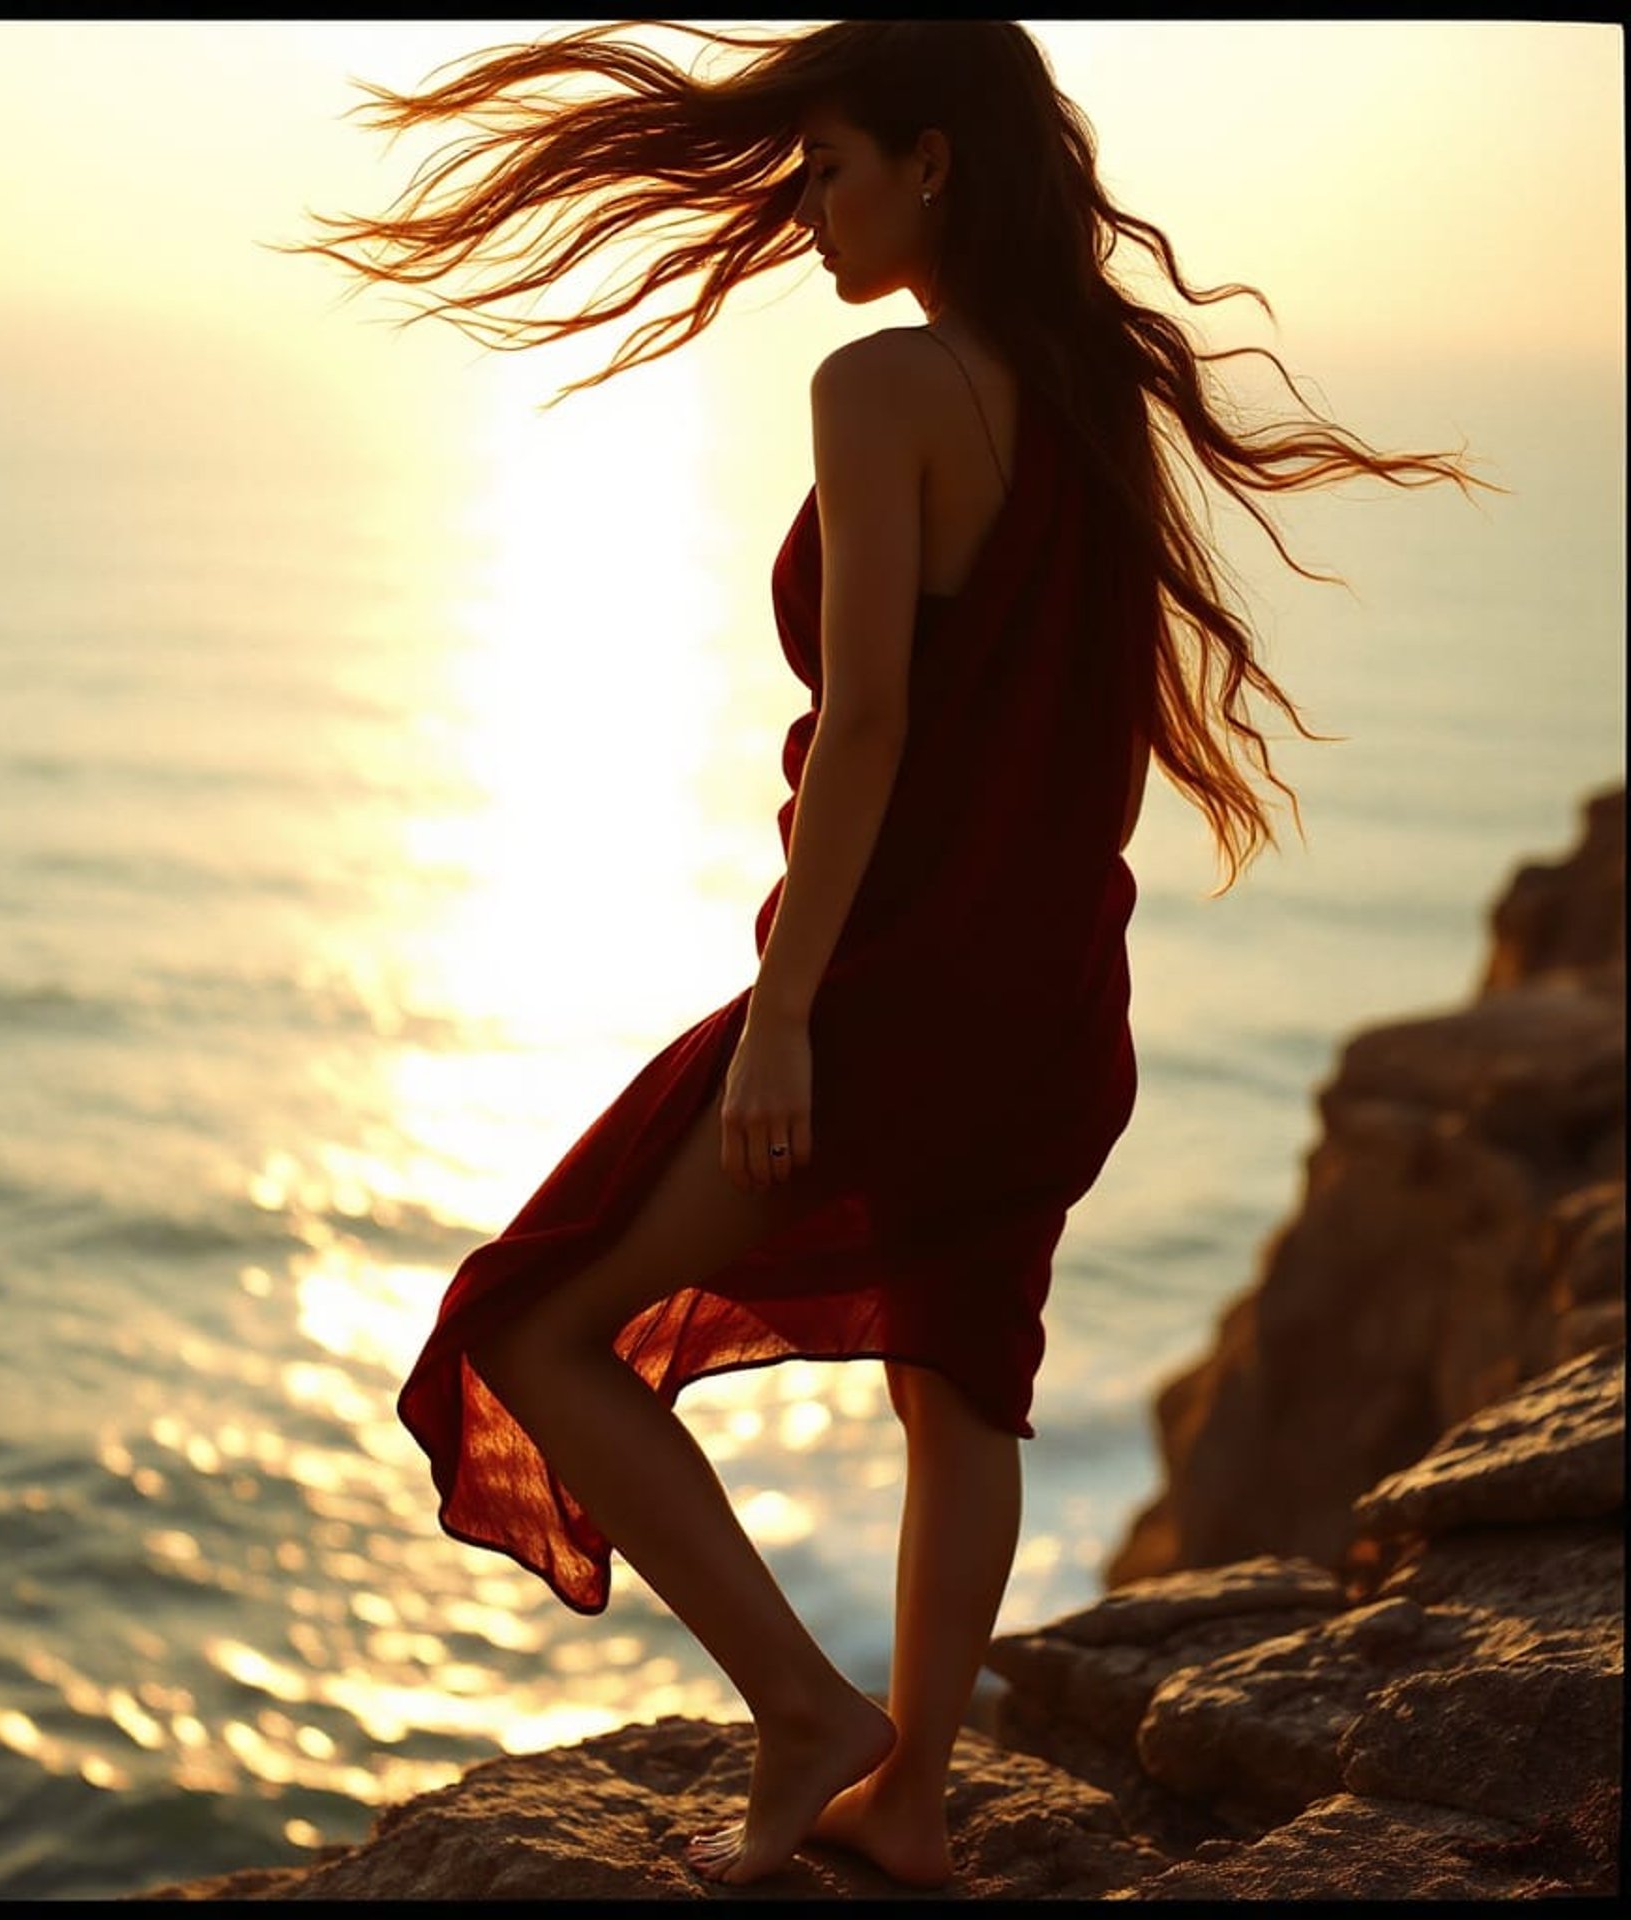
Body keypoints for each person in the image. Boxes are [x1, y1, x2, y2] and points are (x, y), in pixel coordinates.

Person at [292, 19, 1477, 1888]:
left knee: (531, 1320)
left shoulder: (885, 388)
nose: (804, 211)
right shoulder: (1090, 393)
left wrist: (782, 1026)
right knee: (962, 1391)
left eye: (829, 166)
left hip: (901, 994)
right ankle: (909, 1802)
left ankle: (805, 1710)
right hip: (1060, 999)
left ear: (932, 163)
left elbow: (867, 735)